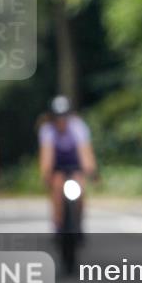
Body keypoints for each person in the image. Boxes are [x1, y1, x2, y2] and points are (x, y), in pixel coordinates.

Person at [37, 96, 97, 233]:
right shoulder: (47, 130)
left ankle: (79, 221)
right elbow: (47, 155)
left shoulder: (78, 126)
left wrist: (90, 170)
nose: (61, 120)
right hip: (57, 166)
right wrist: (46, 173)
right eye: (58, 117)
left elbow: (85, 151)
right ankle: (58, 222)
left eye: (64, 116)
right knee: (57, 187)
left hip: (75, 164)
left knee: (80, 188)